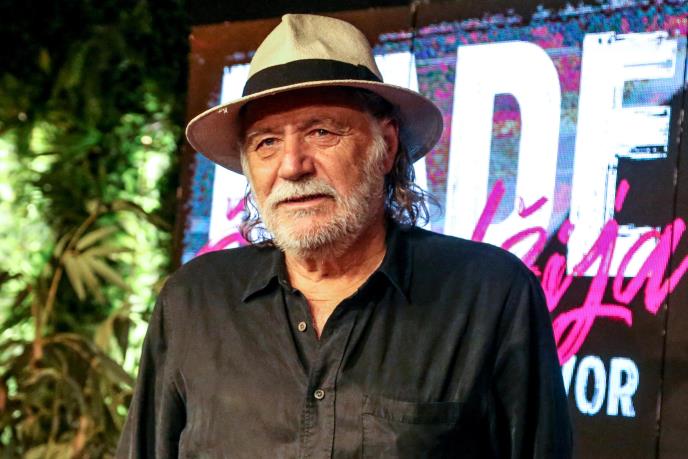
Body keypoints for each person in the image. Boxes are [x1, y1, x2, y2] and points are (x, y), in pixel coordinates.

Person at [117, 14, 572, 458]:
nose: (292, 166)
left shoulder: (490, 295)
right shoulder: (193, 301)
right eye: (266, 142)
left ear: (386, 145)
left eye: (321, 132)